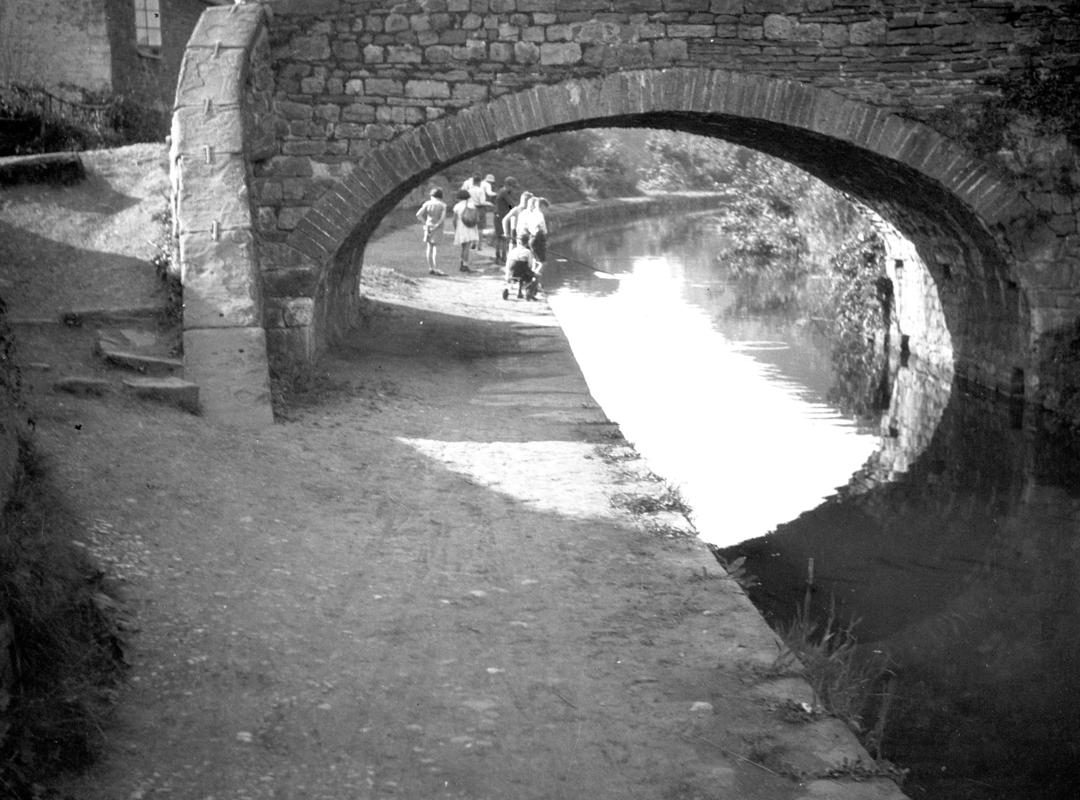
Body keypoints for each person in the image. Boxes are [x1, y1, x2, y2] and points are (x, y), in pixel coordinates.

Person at [414, 187, 447, 275]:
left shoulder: (427, 203)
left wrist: (425, 223)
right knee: (436, 248)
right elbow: (442, 218)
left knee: (429, 247)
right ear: (440, 196)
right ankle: (436, 268)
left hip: (428, 227)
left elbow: (418, 214)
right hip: (438, 228)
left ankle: (431, 267)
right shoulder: (443, 205)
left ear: (432, 195)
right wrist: (437, 225)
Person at [502, 234, 540, 301]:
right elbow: (530, 265)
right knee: (537, 276)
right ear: (527, 243)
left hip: (513, 272)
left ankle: (519, 291)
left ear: (519, 242)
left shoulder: (512, 251)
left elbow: (508, 263)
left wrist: (507, 274)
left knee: (518, 271)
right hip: (523, 273)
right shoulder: (528, 252)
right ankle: (531, 292)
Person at [492, 177, 519, 264]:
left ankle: (502, 257)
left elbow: (510, 206)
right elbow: (511, 204)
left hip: (501, 216)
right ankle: (499, 257)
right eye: (512, 187)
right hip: (500, 217)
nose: (513, 189)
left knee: (502, 237)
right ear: (508, 185)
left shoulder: (503, 192)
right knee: (501, 237)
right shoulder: (504, 192)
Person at [451, 188, 479, 272]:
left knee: (463, 247)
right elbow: (476, 218)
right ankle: (465, 265)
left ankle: (462, 264)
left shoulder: (457, 206)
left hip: (460, 227)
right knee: (467, 247)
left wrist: (456, 229)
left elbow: (454, 220)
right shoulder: (472, 205)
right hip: (469, 227)